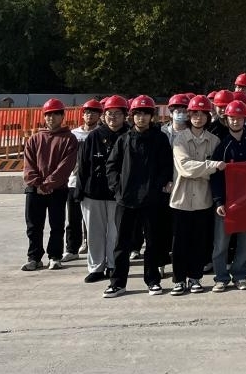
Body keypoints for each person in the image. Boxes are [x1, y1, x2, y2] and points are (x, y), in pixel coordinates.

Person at [102, 95, 173, 297]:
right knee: (121, 244)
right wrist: (117, 188)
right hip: (126, 199)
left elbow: (166, 166)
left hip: (152, 200)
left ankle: (153, 280)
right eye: (138, 114)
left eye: (146, 114)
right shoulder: (124, 139)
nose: (141, 118)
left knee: (153, 242)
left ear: (152, 116)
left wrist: (157, 187)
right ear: (132, 116)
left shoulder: (160, 139)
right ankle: (117, 283)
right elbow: (111, 166)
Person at [167, 95, 225, 296]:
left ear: (208, 116)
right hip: (181, 199)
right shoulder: (179, 140)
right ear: (189, 115)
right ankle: (179, 280)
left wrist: (205, 170)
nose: (198, 117)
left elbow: (216, 173)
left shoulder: (214, 141)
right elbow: (185, 168)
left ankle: (195, 278)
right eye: (194, 113)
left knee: (199, 242)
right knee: (179, 243)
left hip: (203, 199)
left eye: (202, 114)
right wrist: (211, 166)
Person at [210, 100, 246, 291]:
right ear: (226, 120)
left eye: (239, 118)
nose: (235, 122)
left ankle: (241, 275)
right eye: (232, 118)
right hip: (227, 202)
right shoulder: (221, 146)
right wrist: (218, 201)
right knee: (221, 243)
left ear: (244, 119)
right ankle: (221, 277)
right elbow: (215, 177)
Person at [75, 95, 129, 283]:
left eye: (117, 113)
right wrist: (79, 190)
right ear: (104, 116)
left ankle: (113, 265)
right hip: (93, 192)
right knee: (94, 232)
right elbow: (83, 165)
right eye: (109, 113)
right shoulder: (94, 136)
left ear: (125, 115)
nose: (113, 117)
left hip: (119, 194)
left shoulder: (129, 135)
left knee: (116, 233)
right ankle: (96, 267)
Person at [21, 99, 78, 272]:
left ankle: (55, 256)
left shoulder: (69, 139)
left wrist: (48, 184)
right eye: (48, 115)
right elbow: (28, 164)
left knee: (57, 225)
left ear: (62, 116)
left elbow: (66, 166)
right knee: (33, 226)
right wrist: (37, 183)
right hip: (35, 189)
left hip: (57, 189)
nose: (51, 118)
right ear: (44, 117)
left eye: (55, 114)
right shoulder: (35, 138)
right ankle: (34, 258)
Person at [64, 99, 101, 261]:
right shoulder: (74, 134)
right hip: (74, 181)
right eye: (87, 112)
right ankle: (72, 249)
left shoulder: (102, 133)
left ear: (99, 115)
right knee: (73, 217)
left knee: (92, 219)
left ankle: (92, 247)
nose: (90, 115)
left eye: (94, 112)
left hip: (93, 182)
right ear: (83, 115)